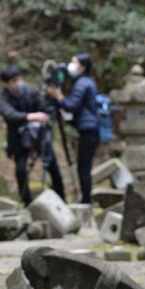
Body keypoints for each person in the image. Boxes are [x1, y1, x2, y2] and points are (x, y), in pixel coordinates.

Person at [0, 65, 65, 206]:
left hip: (39, 135)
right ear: (6, 83)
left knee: (53, 167)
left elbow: (43, 108)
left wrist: (54, 110)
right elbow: (9, 115)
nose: (18, 84)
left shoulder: (30, 92)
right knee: (21, 170)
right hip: (18, 139)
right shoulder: (3, 97)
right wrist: (31, 116)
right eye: (14, 82)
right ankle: (27, 203)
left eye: (19, 80)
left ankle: (62, 200)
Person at [47, 53, 100, 205]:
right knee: (84, 167)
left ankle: (85, 201)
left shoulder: (82, 83)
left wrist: (58, 97)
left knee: (83, 168)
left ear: (83, 67)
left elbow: (72, 105)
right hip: (89, 129)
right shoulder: (85, 81)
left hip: (88, 130)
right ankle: (85, 199)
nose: (71, 65)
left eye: (74, 62)